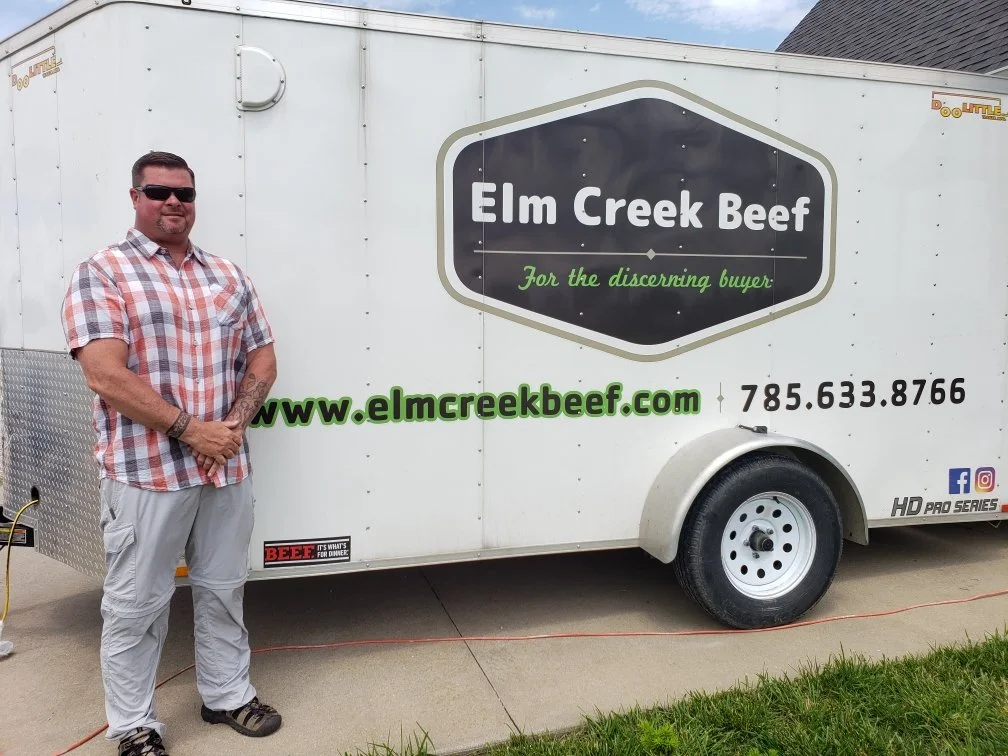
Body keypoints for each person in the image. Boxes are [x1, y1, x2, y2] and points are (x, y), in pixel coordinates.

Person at [61, 151, 281, 756]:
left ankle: (227, 695)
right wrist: (192, 431)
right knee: (136, 603)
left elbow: (262, 357)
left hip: (225, 467)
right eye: (158, 192)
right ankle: (133, 724)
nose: (173, 202)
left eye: (184, 192)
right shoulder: (102, 272)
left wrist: (230, 427)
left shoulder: (227, 276)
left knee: (223, 587)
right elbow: (105, 374)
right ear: (135, 197)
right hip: (145, 474)